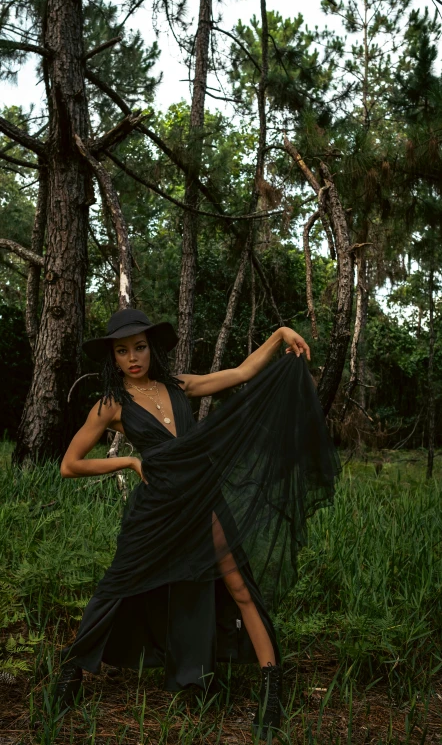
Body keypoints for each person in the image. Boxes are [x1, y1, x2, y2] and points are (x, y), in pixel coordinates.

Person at [54, 308, 341, 737]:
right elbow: (69, 465)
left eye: (139, 347)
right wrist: (129, 460)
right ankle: (73, 673)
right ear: (112, 358)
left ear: (151, 349)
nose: (133, 357)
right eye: (122, 351)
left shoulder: (179, 386)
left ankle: (271, 688)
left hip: (203, 499)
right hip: (156, 509)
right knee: (115, 585)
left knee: (239, 585)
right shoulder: (110, 404)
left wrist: (280, 333)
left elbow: (243, 372)